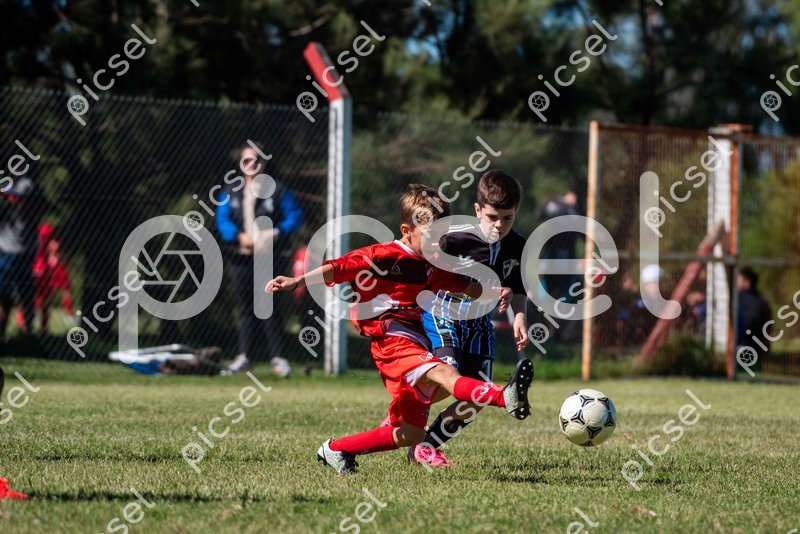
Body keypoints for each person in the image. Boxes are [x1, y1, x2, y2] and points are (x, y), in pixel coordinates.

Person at [265, 184, 534, 474]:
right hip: (390, 340)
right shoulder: (383, 255)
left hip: (414, 339)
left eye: (442, 237)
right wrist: (298, 281)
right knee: (445, 372)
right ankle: (504, 396)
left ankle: (336, 449)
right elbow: (338, 267)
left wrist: (497, 292)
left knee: (410, 433)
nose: (438, 244)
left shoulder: (432, 266)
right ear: (407, 231)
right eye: (431, 237)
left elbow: (466, 286)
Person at [409, 170, 529, 468]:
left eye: (508, 218)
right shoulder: (454, 237)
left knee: (477, 396)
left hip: (479, 324)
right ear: (477, 210)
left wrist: (519, 316)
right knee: (447, 374)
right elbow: (421, 263)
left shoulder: (518, 244)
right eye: (492, 217)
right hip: (443, 313)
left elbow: (517, 287)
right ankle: (403, 417)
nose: (499, 225)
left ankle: (426, 446)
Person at [216, 144, 303, 372]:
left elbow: (294, 216)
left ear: (264, 163)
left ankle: (278, 358)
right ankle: (245, 356)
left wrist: (276, 233)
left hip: (270, 257)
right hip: (241, 257)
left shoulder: (278, 190)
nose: (252, 164)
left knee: (270, 305)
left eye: (256, 160)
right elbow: (222, 218)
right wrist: (237, 236)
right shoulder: (230, 190)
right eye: (246, 160)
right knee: (245, 307)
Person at [0, 178, 42, 346]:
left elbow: (11, 196)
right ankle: (23, 333)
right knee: (21, 296)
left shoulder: (17, 209)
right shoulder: (34, 209)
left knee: (7, 296)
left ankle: (10, 334)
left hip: (10, 253)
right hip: (22, 254)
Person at [16, 223, 74, 331]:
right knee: (34, 298)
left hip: (41, 266)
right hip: (36, 265)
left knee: (41, 299)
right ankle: (29, 325)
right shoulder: (34, 228)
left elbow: (53, 245)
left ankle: (39, 326)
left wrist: (54, 256)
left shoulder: (44, 229)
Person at [736, 268, 772, 360]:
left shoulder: (739, 299)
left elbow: (751, 321)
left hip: (744, 346)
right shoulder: (762, 301)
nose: (736, 282)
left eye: (738, 279)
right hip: (759, 347)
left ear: (747, 283)